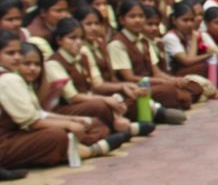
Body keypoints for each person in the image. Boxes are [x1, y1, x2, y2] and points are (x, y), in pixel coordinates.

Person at [0, 34, 127, 169]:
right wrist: (67, 124)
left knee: (86, 123)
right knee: (56, 135)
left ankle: (75, 148)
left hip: (18, 132)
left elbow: (37, 113)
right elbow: (31, 122)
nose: (17, 57)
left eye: (19, 53)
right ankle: (88, 151)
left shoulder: (12, 76)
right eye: (10, 53)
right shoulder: (9, 79)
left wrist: (72, 119)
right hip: (5, 141)